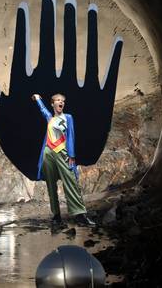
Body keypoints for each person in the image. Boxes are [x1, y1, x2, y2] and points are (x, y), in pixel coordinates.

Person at [32, 93, 95, 227]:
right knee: (51, 185)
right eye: (58, 100)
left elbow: (71, 135)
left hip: (63, 152)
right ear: (52, 104)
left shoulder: (68, 117)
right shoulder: (49, 118)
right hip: (48, 153)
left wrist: (71, 155)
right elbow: (42, 109)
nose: (61, 102)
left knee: (71, 182)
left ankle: (80, 215)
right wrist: (37, 99)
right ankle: (56, 216)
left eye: (63, 101)